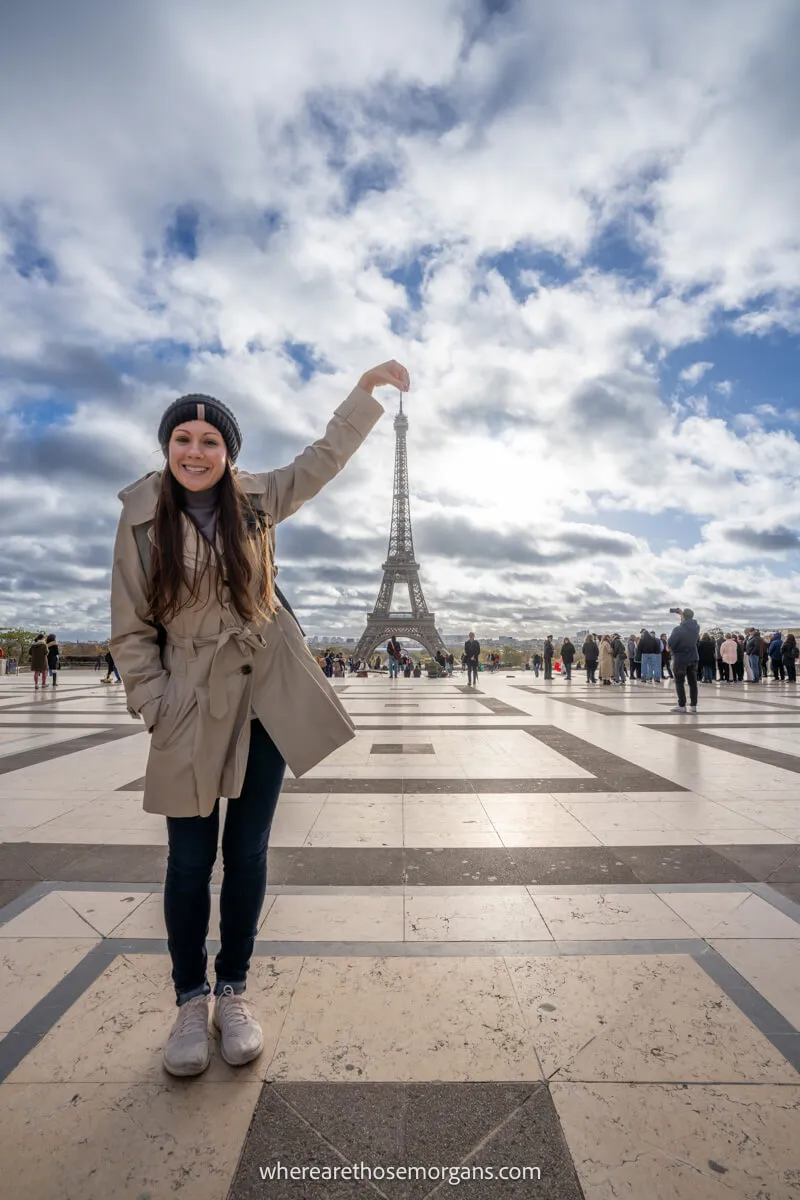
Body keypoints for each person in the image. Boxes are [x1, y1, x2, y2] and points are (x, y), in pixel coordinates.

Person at [110, 358, 409, 1078]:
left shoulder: (260, 499)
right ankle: (189, 998)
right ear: (167, 447)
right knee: (188, 860)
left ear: (229, 453)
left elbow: (324, 460)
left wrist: (363, 397)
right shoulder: (141, 517)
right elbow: (128, 627)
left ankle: (233, 989)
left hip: (265, 700)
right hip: (189, 704)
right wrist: (155, 705)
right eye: (184, 437)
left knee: (246, 854)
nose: (196, 451)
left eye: (211, 441)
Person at [668, 607, 700, 713]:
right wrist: (683, 616)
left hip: (681, 658)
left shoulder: (678, 629)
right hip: (693, 657)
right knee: (693, 683)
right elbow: (688, 625)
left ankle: (682, 705)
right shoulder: (696, 627)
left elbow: (671, 644)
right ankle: (693, 705)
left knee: (679, 682)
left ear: (683, 617)